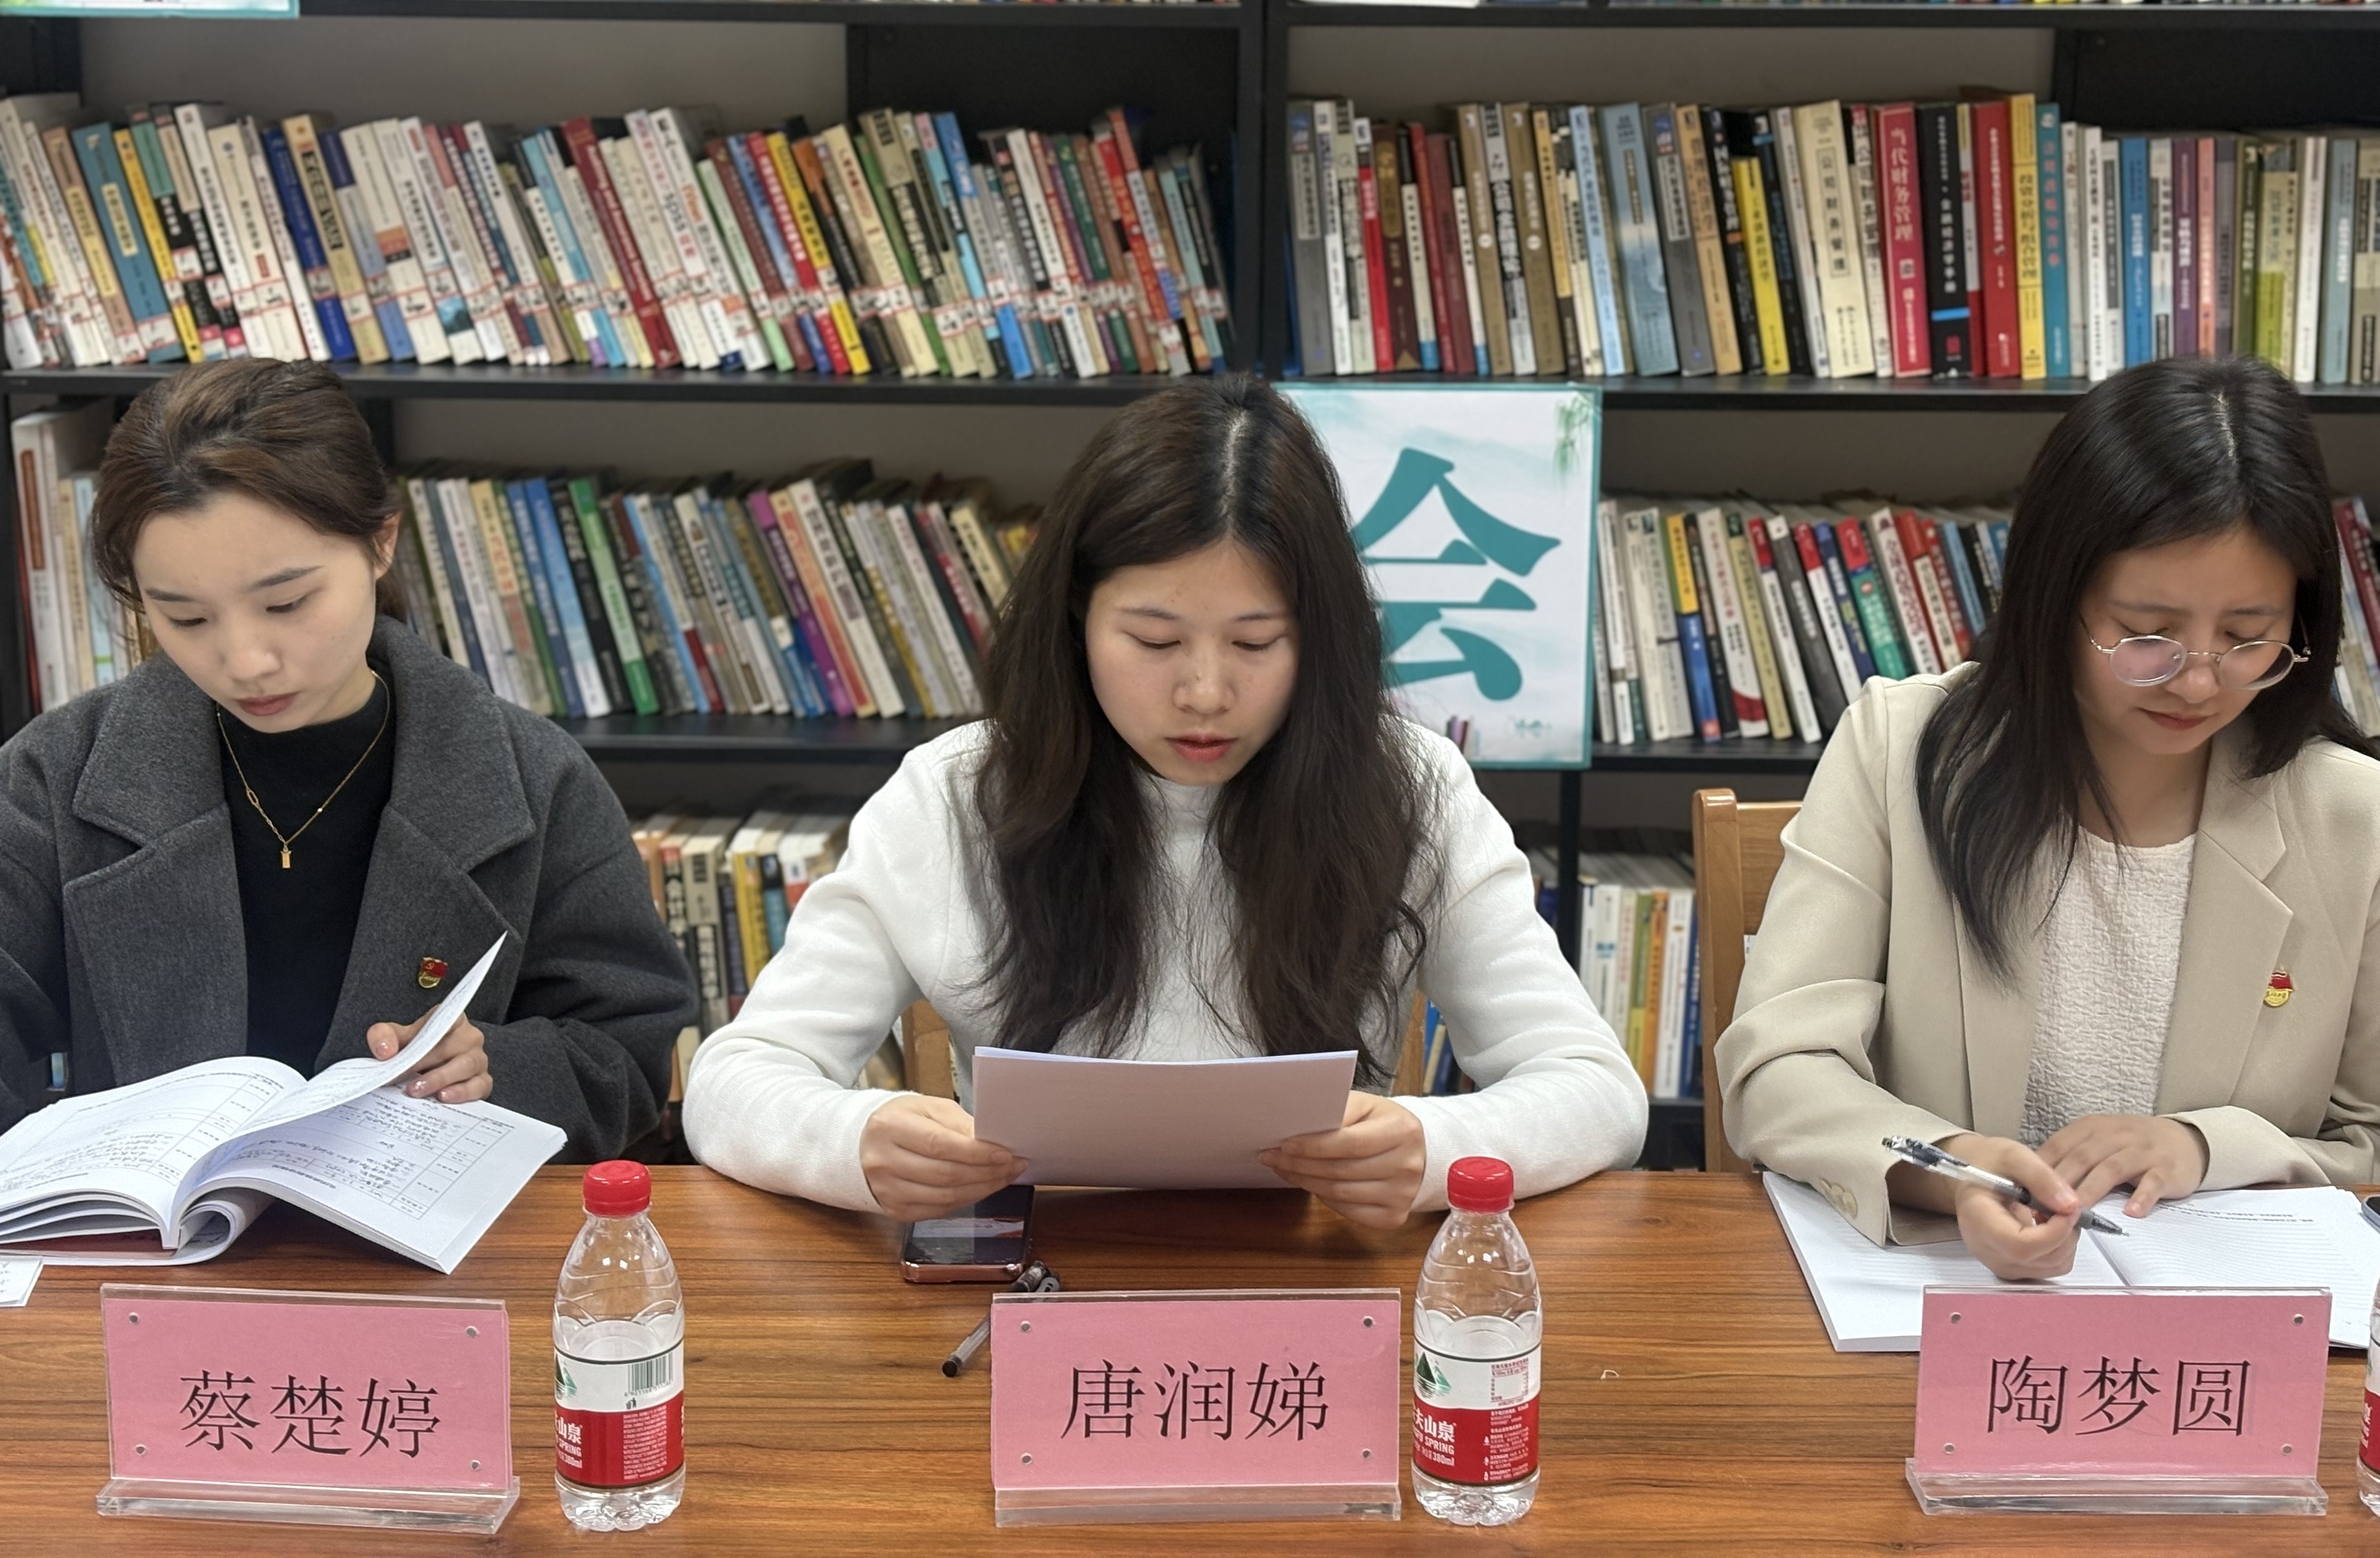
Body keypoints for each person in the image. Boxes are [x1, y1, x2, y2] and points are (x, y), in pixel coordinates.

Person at [685, 375, 1646, 1226]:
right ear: (1076, 620)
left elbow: (1596, 1090)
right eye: (1154, 641)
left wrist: (1432, 1150)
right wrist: (858, 1139)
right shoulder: (954, 797)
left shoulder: (1410, 788)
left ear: (1321, 637)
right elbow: (734, 1081)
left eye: (1257, 643)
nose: (1205, 693)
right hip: (1034, 1274)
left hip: (1313, 1280)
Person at [1719, 358, 2380, 1279]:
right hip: (1938, 1297)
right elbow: (1778, 1069)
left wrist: (2203, 1146)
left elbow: (2367, 1137)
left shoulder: (2353, 817)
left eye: (2246, 637)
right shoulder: (1900, 751)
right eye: (2148, 632)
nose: (2197, 681)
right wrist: (1955, 1169)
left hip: (2229, 1326)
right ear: (2056, 595)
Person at [0, 358, 695, 1159]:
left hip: (435, 1225)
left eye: (287, 603)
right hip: (154, 1229)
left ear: (380, 542)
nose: (246, 661)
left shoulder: (535, 778)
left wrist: (494, 1071)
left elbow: (627, 1053)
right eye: (186, 618)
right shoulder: (53, 778)